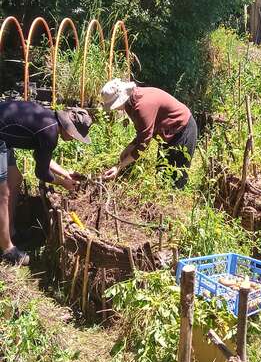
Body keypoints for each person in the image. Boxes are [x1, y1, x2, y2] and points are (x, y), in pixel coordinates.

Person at [0, 101, 92, 265]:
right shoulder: (50, 132)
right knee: (3, 193)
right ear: (69, 128)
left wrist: (65, 173)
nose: (73, 139)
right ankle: (7, 249)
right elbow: (41, 173)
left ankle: (10, 231)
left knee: (15, 179)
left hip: (4, 137)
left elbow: (41, 157)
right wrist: (63, 183)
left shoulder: (48, 120)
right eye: (75, 135)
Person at [101, 79, 197, 189]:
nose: (114, 108)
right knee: (161, 175)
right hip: (166, 134)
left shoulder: (142, 106)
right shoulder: (131, 103)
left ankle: (174, 204)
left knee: (175, 180)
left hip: (183, 131)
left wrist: (119, 166)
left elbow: (143, 144)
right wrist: (127, 150)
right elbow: (141, 133)